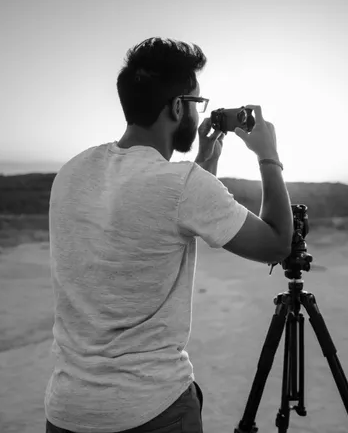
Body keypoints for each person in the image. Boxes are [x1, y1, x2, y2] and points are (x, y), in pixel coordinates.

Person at [45, 37, 293, 433]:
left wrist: (205, 162)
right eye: (197, 103)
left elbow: (155, 221)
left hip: (67, 411)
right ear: (178, 107)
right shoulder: (182, 186)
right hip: (151, 410)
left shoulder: (71, 172)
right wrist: (268, 155)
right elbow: (277, 243)